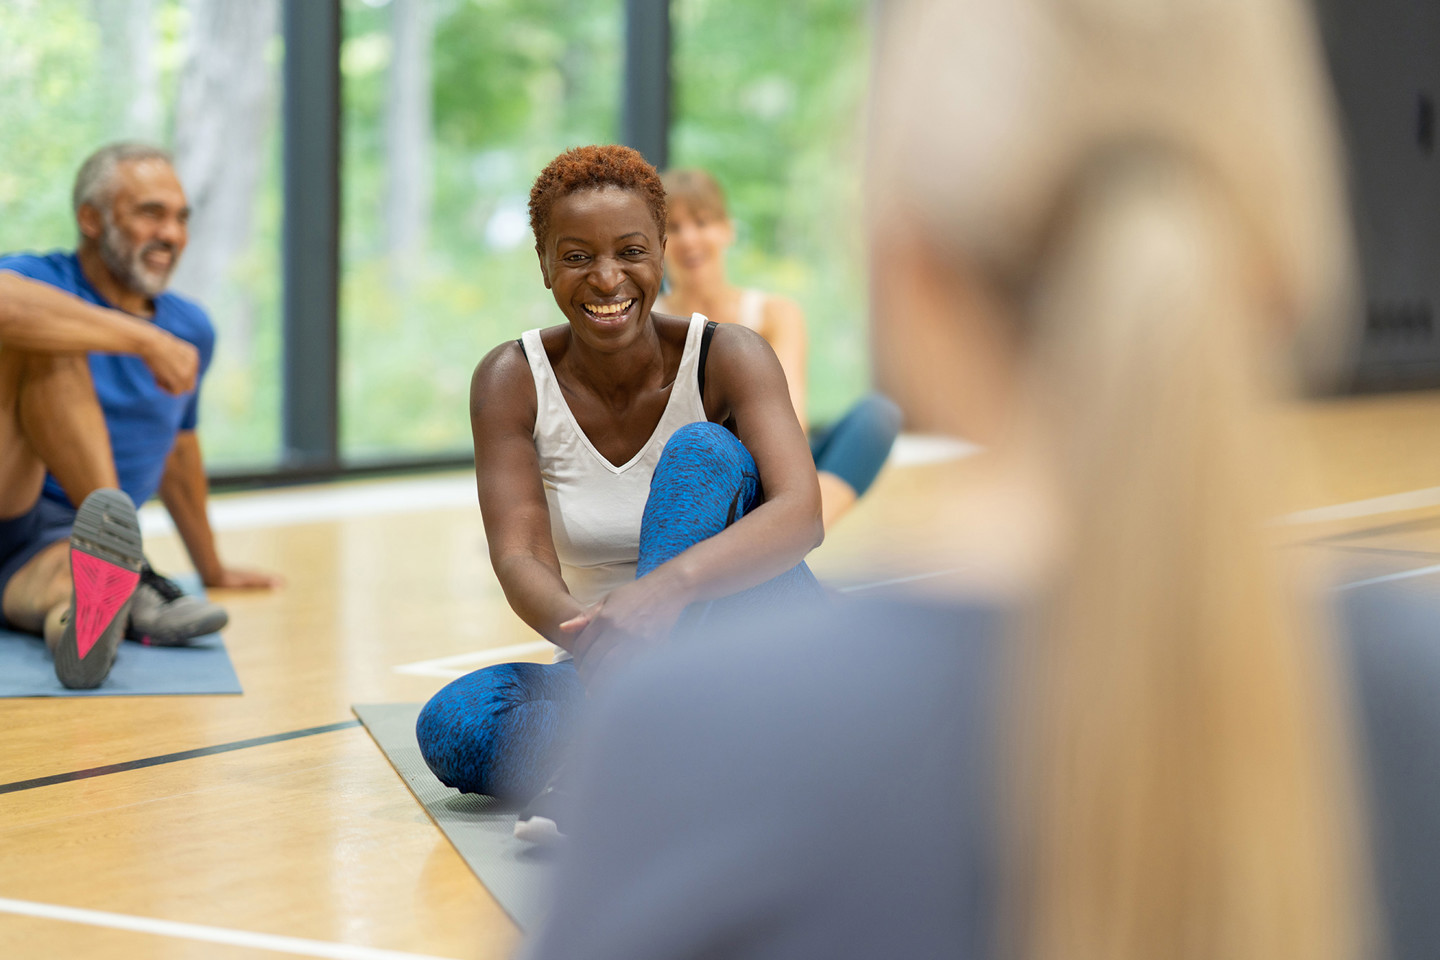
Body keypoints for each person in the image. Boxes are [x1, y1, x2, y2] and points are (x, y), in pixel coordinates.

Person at [519, 0, 1440, 958]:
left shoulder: (689, 734)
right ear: (1288, 263)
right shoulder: (1419, 703)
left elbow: (778, 477)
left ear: (910, 269)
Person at [414, 145, 826, 835]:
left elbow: (802, 513)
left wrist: (658, 593)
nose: (607, 278)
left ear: (660, 252)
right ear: (545, 264)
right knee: (456, 725)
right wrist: (594, 640)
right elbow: (520, 557)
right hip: (607, 658)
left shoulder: (731, 355)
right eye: (576, 256)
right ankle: (677, 745)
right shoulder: (509, 379)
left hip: (761, 640)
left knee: (701, 450)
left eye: (630, 251)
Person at [0, 141, 279, 689]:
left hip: (47, 546)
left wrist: (212, 567)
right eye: (150, 212)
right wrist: (144, 340)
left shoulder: (191, 328)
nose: (171, 234)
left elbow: (178, 450)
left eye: (180, 218)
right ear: (90, 218)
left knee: (76, 593)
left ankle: (83, 625)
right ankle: (125, 562)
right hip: (11, 496)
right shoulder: (38, 278)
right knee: (46, 335)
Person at [657, 168, 900, 529]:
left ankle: (796, 530)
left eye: (701, 222)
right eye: (673, 228)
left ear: (727, 230)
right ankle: (779, 534)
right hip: (702, 471)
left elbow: (792, 423)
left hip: (774, 463)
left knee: (879, 415)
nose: (689, 238)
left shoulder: (775, 313)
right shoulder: (650, 322)